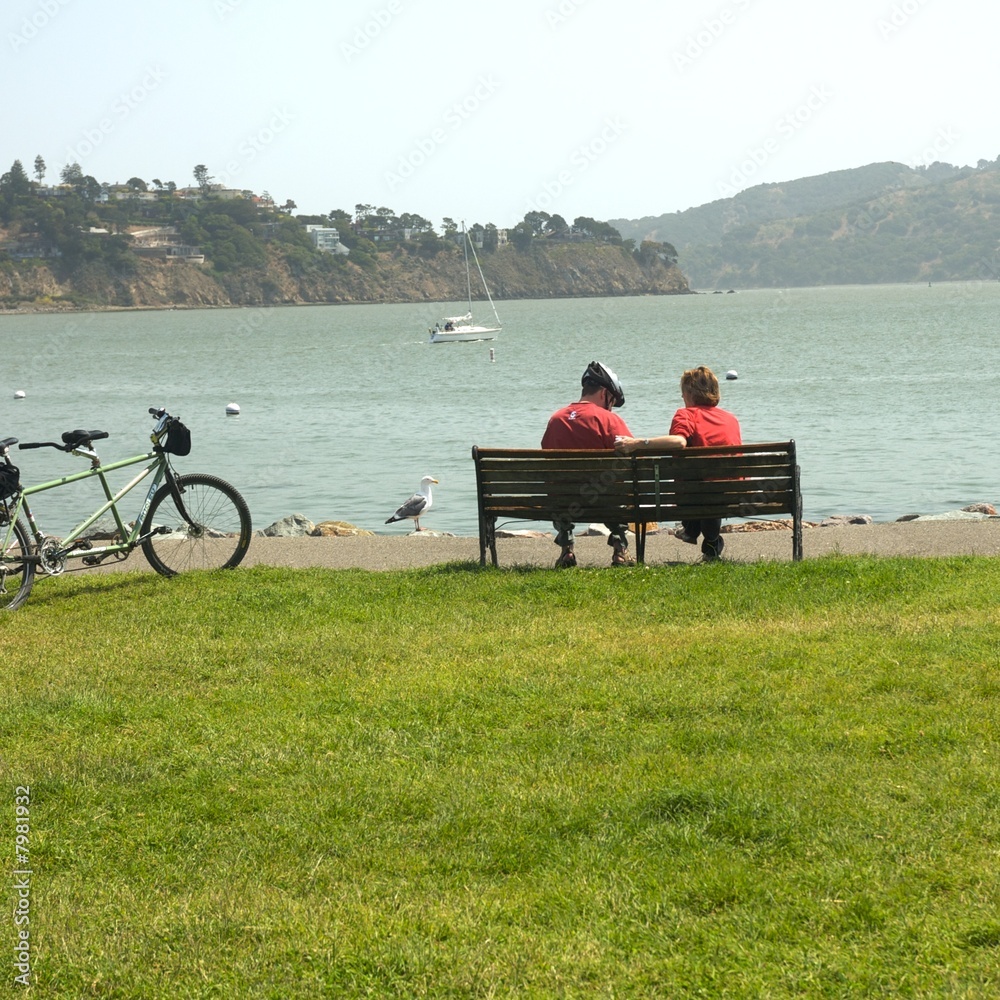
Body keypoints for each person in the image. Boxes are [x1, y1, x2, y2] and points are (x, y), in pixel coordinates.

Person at [619, 365, 740, 561]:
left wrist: (638, 443)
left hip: (694, 497)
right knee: (712, 483)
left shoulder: (686, 414)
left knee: (699, 484)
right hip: (732, 494)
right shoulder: (730, 419)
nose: (682, 398)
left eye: (682, 393)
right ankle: (708, 544)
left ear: (689, 394)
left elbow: (679, 442)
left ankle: (692, 530)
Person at [541, 361, 635, 567]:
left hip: (566, 505)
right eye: (611, 401)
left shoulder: (555, 420)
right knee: (618, 489)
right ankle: (620, 548)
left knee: (560, 491)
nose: (611, 406)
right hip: (605, 502)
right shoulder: (609, 420)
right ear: (603, 393)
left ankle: (567, 550)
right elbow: (633, 460)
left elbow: (547, 461)